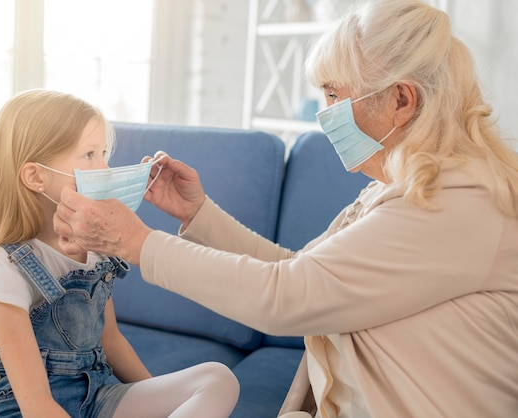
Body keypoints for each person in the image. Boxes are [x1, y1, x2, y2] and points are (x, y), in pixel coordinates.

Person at [52, 1, 518, 417]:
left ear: (401, 100)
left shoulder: (455, 200)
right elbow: (304, 273)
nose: (324, 112)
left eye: (335, 95)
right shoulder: (402, 185)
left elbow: (290, 296)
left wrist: (133, 242)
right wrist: (197, 215)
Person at [0, 89, 239, 418]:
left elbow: (111, 340)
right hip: (24, 408)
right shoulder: (2, 262)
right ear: (36, 176)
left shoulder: (93, 247)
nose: (105, 168)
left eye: (104, 153)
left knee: (217, 379)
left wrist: (162, 404)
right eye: (90, 155)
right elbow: (36, 403)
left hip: (96, 395)